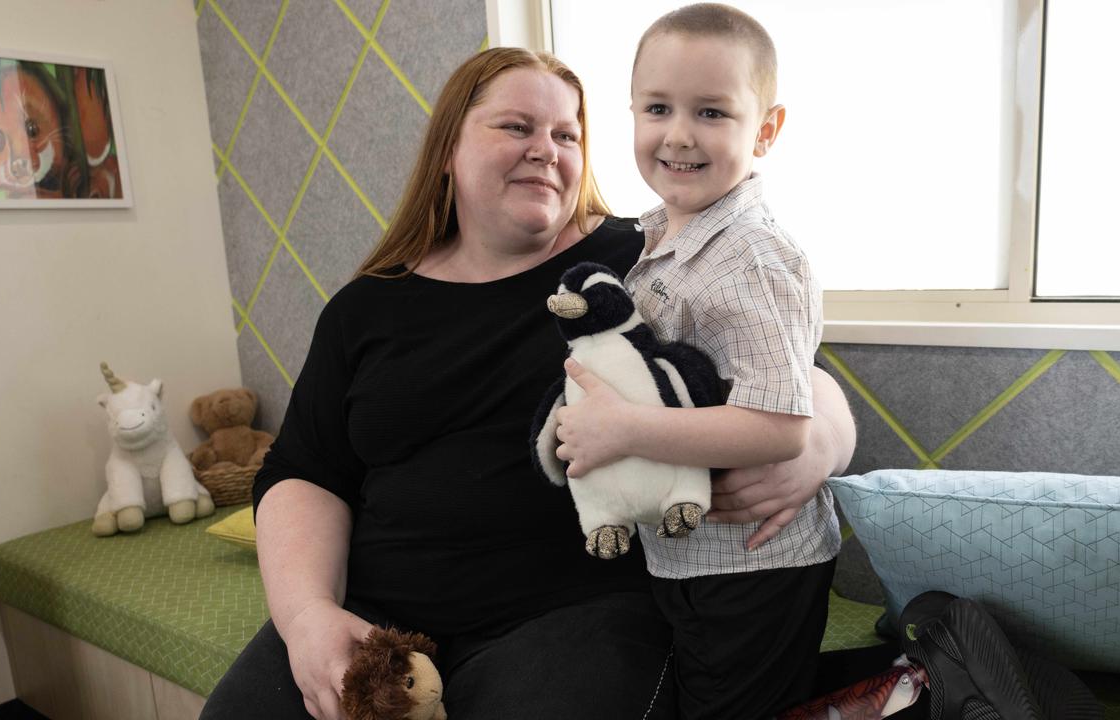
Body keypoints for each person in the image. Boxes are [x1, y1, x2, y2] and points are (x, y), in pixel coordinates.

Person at [199, 46, 855, 720]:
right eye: (517, 127)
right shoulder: (366, 309)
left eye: (566, 135)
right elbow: (307, 470)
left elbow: (795, 376)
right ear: (448, 148)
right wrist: (306, 617)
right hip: (379, 614)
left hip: (575, 614)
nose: (545, 149)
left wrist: (822, 445)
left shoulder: (640, 258)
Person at [550, 5, 839, 719]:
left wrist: (624, 432)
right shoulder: (654, 235)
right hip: (686, 553)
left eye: (711, 112)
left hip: (753, 561)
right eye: (658, 108)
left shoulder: (753, 257)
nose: (678, 134)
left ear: (765, 130)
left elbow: (780, 429)